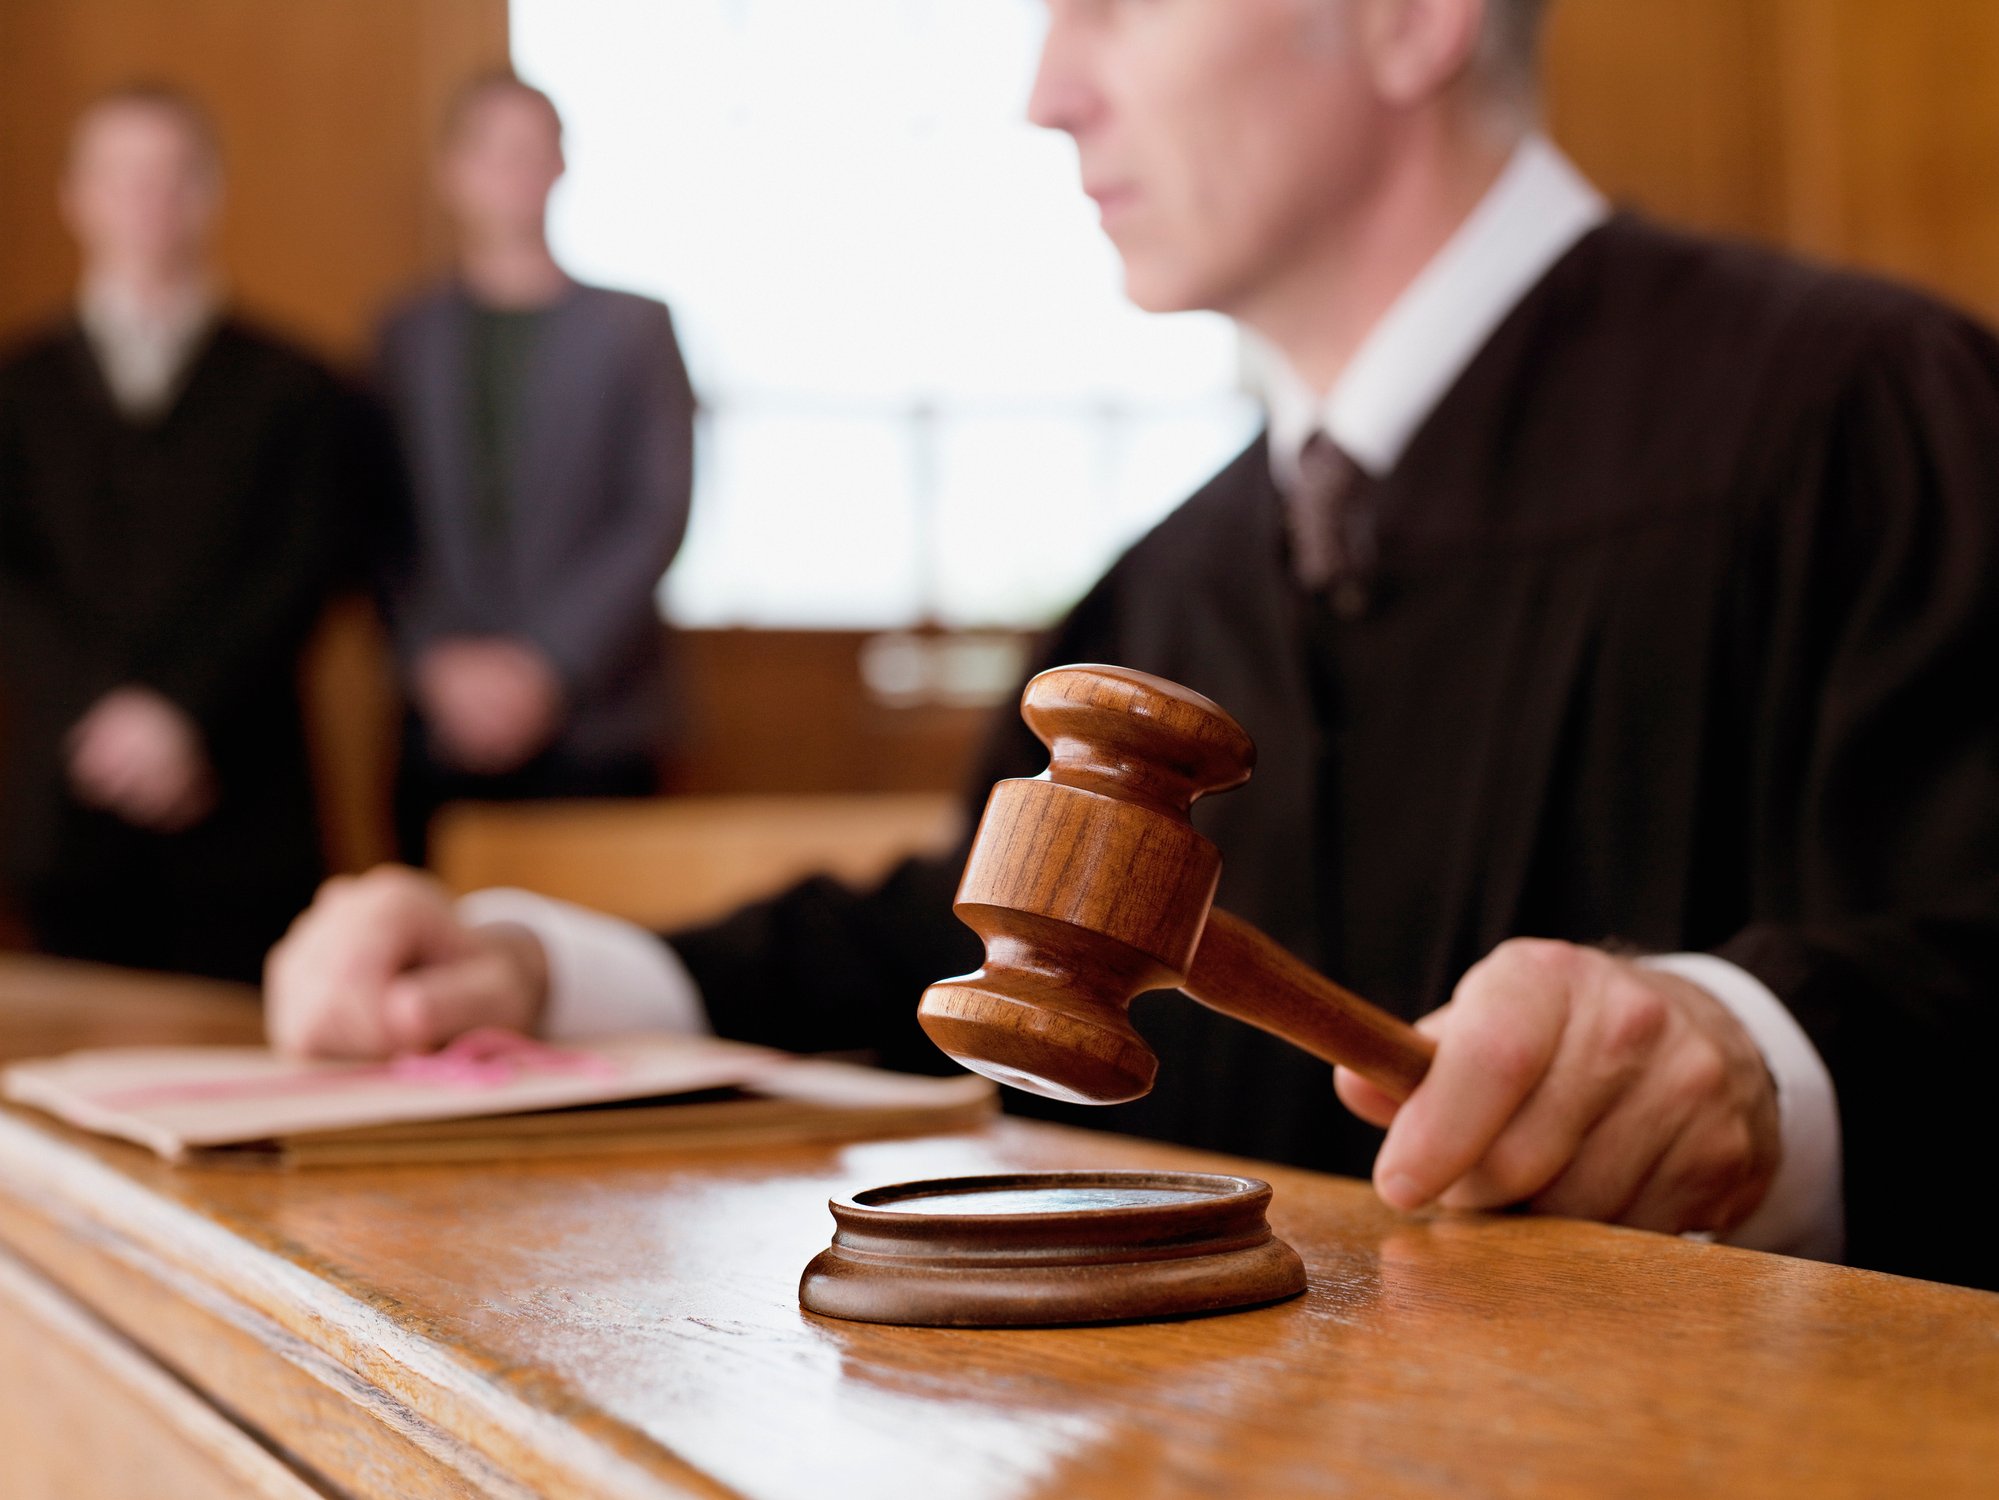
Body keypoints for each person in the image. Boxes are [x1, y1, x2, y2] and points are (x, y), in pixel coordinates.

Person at [265, 0, 1999, 1291]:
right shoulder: (1166, 580)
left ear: (1407, 17)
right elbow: (974, 951)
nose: (1044, 90)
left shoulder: (1866, 419)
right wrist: (537, 983)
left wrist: (1761, 1061)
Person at [0, 85, 347, 983]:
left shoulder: (297, 388)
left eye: (173, 177)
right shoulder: (16, 389)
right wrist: (105, 714)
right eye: (122, 178)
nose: (148, 202)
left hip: (245, 809)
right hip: (66, 805)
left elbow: (302, 568)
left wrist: (180, 711)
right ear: (74, 197)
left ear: (212, 193)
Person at [377, 73, 697, 864]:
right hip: (438, 721)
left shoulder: (634, 328)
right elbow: (377, 521)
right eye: (491, 151)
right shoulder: (403, 337)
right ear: (451, 171)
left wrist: (545, 665)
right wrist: (438, 662)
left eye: (532, 150)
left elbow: (656, 510)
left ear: (561, 165)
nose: (512, 171)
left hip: (598, 718)